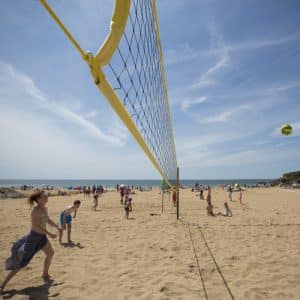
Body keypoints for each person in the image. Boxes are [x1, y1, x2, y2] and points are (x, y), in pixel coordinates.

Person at [0, 191, 61, 293]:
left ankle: (45, 274)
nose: (47, 197)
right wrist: (49, 233)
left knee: (50, 253)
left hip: (42, 238)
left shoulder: (44, 208)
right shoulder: (35, 211)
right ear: (38, 199)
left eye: (46, 195)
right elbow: (37, 226)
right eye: (44, 196)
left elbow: (47, 219)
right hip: (33, 239)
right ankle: (3, 285)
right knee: (22, 263)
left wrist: (56, 226)